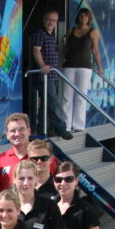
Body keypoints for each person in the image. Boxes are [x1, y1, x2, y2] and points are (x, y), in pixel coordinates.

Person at [30, 9, 72, 139]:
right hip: (44, 76)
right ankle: (61, 129)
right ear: (44, 20)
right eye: (49, 19)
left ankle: (42, 130)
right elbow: (36, 50)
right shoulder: (40, 34)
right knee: (53, 102)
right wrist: (42, 65)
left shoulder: (51, 36)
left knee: (46, 104)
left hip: (52, 75)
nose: (51, 22)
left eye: (54, 20)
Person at [62, 7, 104, 132]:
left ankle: (79, 125)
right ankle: (66, 125)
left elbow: (95, 50)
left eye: (86, 16)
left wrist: (99, 67)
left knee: (81, 96)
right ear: (78, 17)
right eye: (81, 15)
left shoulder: (93, 31)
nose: (83, 18)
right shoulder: (71, 31)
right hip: (69, 65)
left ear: (89, 18)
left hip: (84, 67)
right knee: (67, 96)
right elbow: (65, 48)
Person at [0, 113, 59, 195]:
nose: (17, 134)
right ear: (7, 135)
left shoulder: (43, 157)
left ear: (29, 131)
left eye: (21, 129)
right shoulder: (1, 159)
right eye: (13, 130)